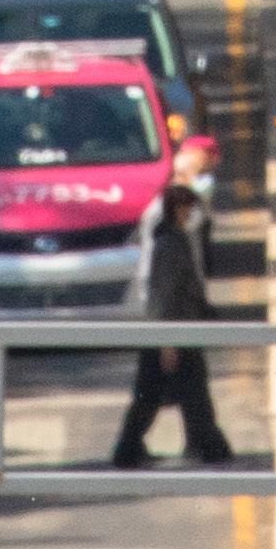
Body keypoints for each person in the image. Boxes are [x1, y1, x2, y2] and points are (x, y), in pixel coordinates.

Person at [112, 167, 241, 467]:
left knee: (184, 394)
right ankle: (202, 447)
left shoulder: (176, 240)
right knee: (168, 395)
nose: (193, 214)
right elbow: (165, 295)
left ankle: (202, 445)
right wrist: (166, 341)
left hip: (177, 331)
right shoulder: (169, 245)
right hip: (170, 333)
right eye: (189, 208)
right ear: (178, 210)